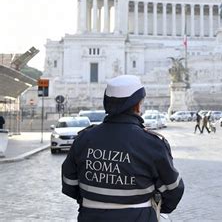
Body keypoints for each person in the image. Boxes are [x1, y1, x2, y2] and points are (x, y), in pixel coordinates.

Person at [61, 75, 184, 222]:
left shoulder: (83, 139)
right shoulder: (152, 144)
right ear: (138, 106)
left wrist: (97, 202)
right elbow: (173, 189)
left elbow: (69, 184)